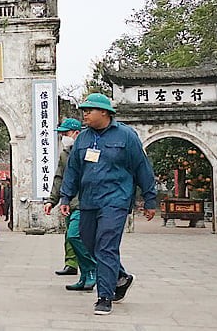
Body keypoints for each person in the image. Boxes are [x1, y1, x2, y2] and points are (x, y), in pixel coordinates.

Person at [59, 93, 157, 316]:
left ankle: (105, 297)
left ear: (104, 112)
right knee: (88, 241)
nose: (85, 114)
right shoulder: (82, 139)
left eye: (89, 110)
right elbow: (73, 170)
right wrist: (65, 197)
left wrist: (150, 199)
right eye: (83, 110)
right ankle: (120, 276)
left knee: (105, 246)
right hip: (89, 200)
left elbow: (143, 168)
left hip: (116, 200)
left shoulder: (126, 136)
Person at [45, 118, 96, 292]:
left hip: (87, 202)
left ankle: (92, 269)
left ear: (76, 133)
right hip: (69, 203)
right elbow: (60, 178)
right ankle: (84, 276)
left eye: (65, 133)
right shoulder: (65, 154)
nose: (63, 137)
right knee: (71, 239)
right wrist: (52, 200)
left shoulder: (91, 150)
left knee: (75, 236)